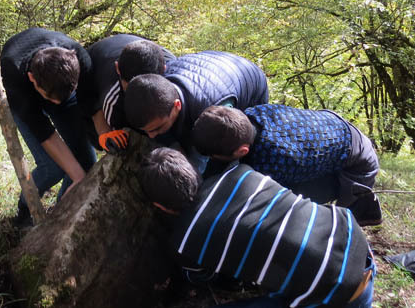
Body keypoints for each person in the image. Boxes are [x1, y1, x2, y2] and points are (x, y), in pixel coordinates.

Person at [138, 147, 375, 308]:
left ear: (159, 205)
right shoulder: (240, 173)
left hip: (336, 292)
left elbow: (202, 277)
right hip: (351, 237)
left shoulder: (184, 242)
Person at [191, 105, 382, 226]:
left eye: (213, 156)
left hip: (356, 163)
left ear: (242, 151)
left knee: (336, 219)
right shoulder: (252, 115)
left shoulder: (274, 160)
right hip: (333, 127)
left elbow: (272, 205)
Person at [1, 27, 96, 226]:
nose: (56, 103)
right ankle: (25, 210)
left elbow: (91, 104)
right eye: (51, 99)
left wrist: (80, 174)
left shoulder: (80, 57)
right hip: (23, 98)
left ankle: (61, 215)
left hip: (58, 88)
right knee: (52, 167)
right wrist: (77, 176)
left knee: (86, 161)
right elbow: (43, 132)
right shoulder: (14, 69)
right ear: (32, 78)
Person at [124, 51, 269, 174]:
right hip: (209, 67)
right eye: (147, 130)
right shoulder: (152, 87)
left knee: (228, 149)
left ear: (176, 106)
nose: (151, 135)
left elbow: (200, 163)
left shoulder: (213, 111)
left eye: (157, 128)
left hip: (250, 83)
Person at [77, 33, 175, 154]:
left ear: (164, 69)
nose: (137, 94)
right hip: (88, 81)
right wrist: (105, 133)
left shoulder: (173, 67)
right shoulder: (112, 97)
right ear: (117, 69)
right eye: (131, 90)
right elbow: (92, 107)